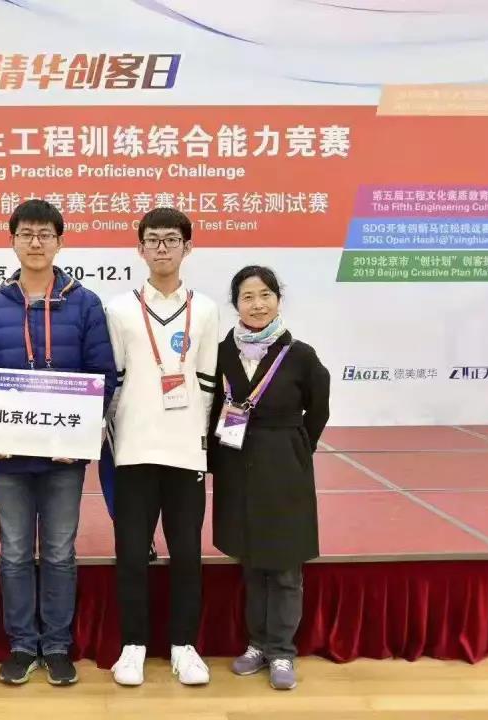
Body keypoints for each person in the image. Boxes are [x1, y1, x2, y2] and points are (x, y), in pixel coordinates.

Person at [0, 198, 116, 686]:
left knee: (58, 552)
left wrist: (80, 432)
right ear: (12, 240)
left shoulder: (85, 303)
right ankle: (20, 644)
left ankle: (55, 646)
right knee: (14, 551)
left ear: (60, 241)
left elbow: (103, 375)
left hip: (63, 456)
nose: (35, 242)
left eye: (45, 234)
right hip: (7, 456)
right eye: (26, 234)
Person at [104, 207, 220, 687]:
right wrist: (114, 437)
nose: (162, 248)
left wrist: (197, 438)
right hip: (134, 449)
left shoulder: (206, 309)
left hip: (185, 452)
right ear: (140, 249)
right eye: (153, 240)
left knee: (187, 553)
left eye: (172, 239)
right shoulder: (120, 309)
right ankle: (132, 646)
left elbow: (209, 383)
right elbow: (113, 382)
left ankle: (183, 646)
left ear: (187, 248)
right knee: (132, 553)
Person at [207, 265, 330, 691]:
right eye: (247, 297)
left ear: (278, 300)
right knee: (251, 562)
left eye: (265, 295)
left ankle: (281, 650)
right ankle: (257, 644)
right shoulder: (221, 353)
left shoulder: (300, 355)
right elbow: (211, 408)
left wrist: (295, 448)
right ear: (235, 304)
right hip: (237, 465)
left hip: (284, 468)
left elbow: (318, 409)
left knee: (284, 565)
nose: (257, 305)